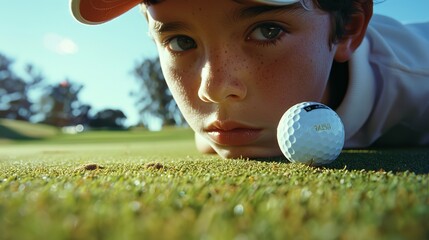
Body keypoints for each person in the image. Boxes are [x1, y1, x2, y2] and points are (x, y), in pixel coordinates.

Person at [70, 0, 429, 159]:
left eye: (266, 30)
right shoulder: (232, 117)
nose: (213, 89)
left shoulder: (419, 81)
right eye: (181, 42)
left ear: (348, 26)